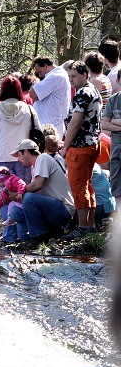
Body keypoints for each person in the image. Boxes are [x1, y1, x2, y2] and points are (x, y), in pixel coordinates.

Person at [59, 60, 102, 240]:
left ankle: (83, 227)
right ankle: (89, 226)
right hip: (92, 143)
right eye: (69, 77)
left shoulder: (83, 93)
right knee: (86, 185)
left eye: (74, 76)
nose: (71, 80)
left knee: (78, 186)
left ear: (85, 75)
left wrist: (65, 146)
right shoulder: (93, 90)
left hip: (80, 146)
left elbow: (75, 123)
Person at [8, 139, 75, 242]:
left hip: (63, 210)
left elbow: (38, 184)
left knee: (28, 198)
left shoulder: (43, 158)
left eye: (19, 155)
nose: (18, 159)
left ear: (26, 152)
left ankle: (38, 237)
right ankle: (29, 237)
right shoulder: (34, 167)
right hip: (51, 209)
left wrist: (19, 193)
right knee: (15, 212)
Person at [0, 74, 40, 184]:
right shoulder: (28, 109)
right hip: (24, 157)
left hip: (1, 156)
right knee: (23, 191)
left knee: (4, 194)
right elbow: (38, 131)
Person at [30, 55, 71, 137]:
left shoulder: (55, 76)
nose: (39, 76)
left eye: (39, 72)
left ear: (45, 66)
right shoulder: (57, 75)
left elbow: (32, 93)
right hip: (49, 125)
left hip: (50, 127)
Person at [101, 70, 121, 208]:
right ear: (118, 81)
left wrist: (115, 122)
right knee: (116, 185)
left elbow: (110, 123)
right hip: (115, 148)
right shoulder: (114, 99)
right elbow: (104, 124)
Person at [0, 166, 27, 236]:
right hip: (15, 201)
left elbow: (22, 184)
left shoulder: (13, 179)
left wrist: (20, 193)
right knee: (10, 207)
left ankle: (11, 219)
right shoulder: (4, 188)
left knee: (13, 208)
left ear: (1, 179)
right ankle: (10, 219)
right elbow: (1, 198)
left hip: (21, 201)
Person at [91, 163, 116, 228]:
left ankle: (85, 228)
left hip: (103, 207)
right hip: (108, 206)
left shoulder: (84, 164)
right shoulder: (92, 163)